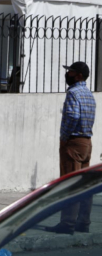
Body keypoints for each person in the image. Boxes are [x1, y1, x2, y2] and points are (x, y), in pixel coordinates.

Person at [45, 61, 96, 234]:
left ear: (79, 75)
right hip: (86, 142)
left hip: (73, 142)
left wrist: (64, 138)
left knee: (70, 183)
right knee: (84, 185)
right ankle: (84, 222)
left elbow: (73, 116)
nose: (68, 75)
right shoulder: (89, 94)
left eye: (71, 72)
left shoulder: (73, 93)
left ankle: (67, 224)